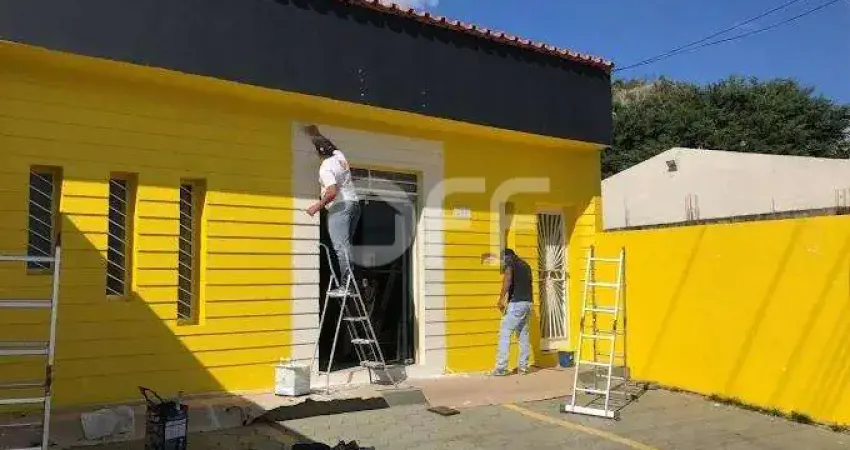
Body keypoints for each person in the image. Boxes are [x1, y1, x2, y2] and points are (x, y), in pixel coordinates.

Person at [303, 125, 360, 295]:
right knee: (346, 247)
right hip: (354, 205)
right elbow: (330, 145)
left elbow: (332, 192)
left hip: (340, 207)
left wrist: (316, 207)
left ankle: (347, 286)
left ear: (319, 153)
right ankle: (351, 283)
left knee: (341, 248)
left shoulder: (326, 168)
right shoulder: (339, 156)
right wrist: (315, 134)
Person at [486, 248, 533, 376]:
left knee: (504, 333)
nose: (503, 262)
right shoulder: (526, 265)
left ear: (507, 257)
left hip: (517, 304)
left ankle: (501, 368)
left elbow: (507, 279)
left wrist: (501, 299)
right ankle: (523, 367)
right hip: (528, 303)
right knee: (523, 335)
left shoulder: (510, 264)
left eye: (504, 259)